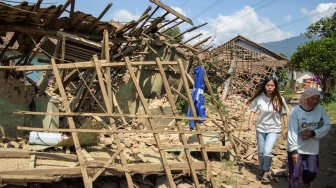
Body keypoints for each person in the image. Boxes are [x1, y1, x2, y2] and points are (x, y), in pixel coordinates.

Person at [247, 77, 288, 184]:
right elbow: (253, 111)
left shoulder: (279, 99)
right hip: (260, 128)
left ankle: (266, 171)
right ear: (264, 86)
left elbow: (284, 114)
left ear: (275, 87)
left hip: (274, 128)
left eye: (272, 85)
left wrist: (286, 128)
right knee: (261, 151)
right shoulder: (260, 98)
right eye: (268, 85)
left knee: (267, 151)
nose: (270, 87)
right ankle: (261, 168)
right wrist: (250, 123)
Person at [287, 87, 331, 188]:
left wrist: (314, 133)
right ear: (306, 98)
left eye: (317, 99)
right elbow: (292, 131)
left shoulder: (320, 109)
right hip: (296, 147)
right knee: (294, 175)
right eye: (313, 98)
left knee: (312, 171)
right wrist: (294, 150)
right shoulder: (296, 111)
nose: (315, 101)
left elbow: (327, 124)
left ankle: (306, 182)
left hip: (312, 147)